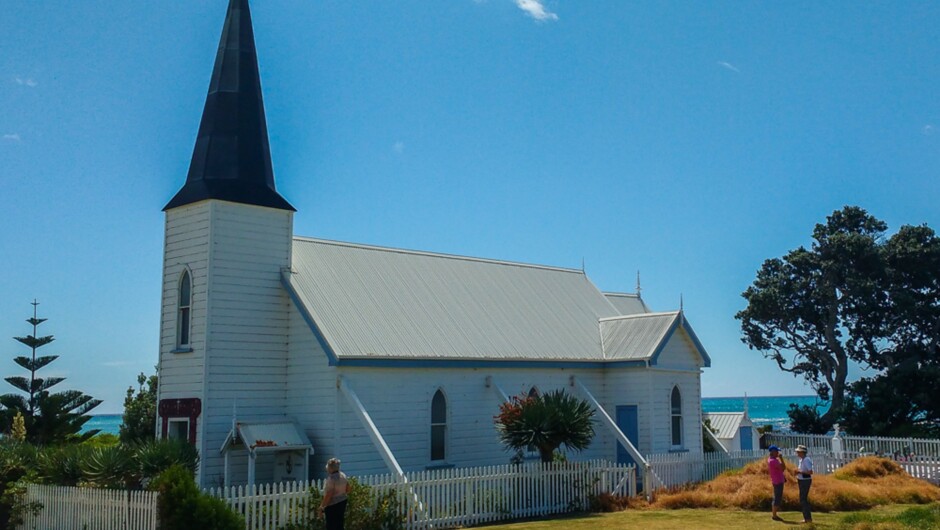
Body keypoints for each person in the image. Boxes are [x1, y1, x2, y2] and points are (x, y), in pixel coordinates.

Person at [319, 458, 350, 530]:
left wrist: (322, 506)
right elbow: (348, 488)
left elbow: (329, 494)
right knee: (340, 524)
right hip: (342, 501)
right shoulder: (343, 475)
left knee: (331, 525)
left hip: (332, 505)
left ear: (330, 468)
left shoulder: (331, 479)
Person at [793, 444, 813, 524]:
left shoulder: (806, 460)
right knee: (802, 499)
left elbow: (810, 472)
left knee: (803, 499)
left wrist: (799, 472)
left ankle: (807, 518)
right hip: (801, 480)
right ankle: (806, 518)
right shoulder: (802, 460)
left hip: (805, 481)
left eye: (798, 451)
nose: (797, 453)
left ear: (802, 452)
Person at [767, 445, 786, 521]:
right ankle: (774, 515)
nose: (778, 453)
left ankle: (774, 514)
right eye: (776, 451)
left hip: (777, 480)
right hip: (778, 481)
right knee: (777, 498)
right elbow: (783, 468)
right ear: (773, 452)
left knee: (777, 497)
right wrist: (781, 458)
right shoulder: (773, 461)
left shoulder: (771, 460)